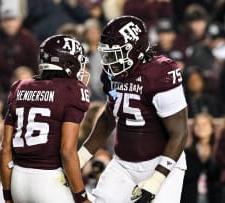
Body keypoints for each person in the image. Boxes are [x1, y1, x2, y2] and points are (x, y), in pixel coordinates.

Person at [78, 15, 188, 203]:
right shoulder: (112, 73)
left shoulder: (160, 73)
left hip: (161, 163)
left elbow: (180, 133)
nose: (110, 60)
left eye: (116, 53)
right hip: (123, 164)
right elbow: (107, 118)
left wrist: (157, 179)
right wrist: (80, 157)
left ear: (135, 50)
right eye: (108, 53)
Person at [0, 34, 91, 203]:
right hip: (49, 181)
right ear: (69, 63)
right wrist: (81, 197)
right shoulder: (72, 90)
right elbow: (67, 151)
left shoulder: (19, 87)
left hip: (19, 180)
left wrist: (7, 195)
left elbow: (5, 149)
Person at [181, 113, 221, 203]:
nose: (201, 127)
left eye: (204, 124)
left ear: (212, 128)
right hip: (190, 197)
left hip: (214, 197)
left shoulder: (219, 151)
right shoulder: (187, 152)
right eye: (197, 125)